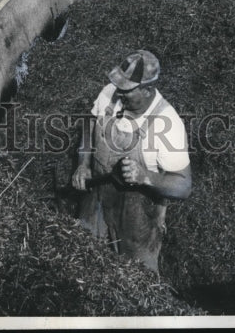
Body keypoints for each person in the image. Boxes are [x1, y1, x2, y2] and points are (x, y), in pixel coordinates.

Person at [72, 49, 191, 272]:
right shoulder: (109, 93)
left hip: (137, 217)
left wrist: (145, 176)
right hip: (96, 198)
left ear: (147, 90)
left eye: (126, 90)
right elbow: (89, 124)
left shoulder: (167, 123)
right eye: (118, 86)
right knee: (81, 260)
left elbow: (183, 186)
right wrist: (83, 163)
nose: (119, 93)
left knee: (136, 282)